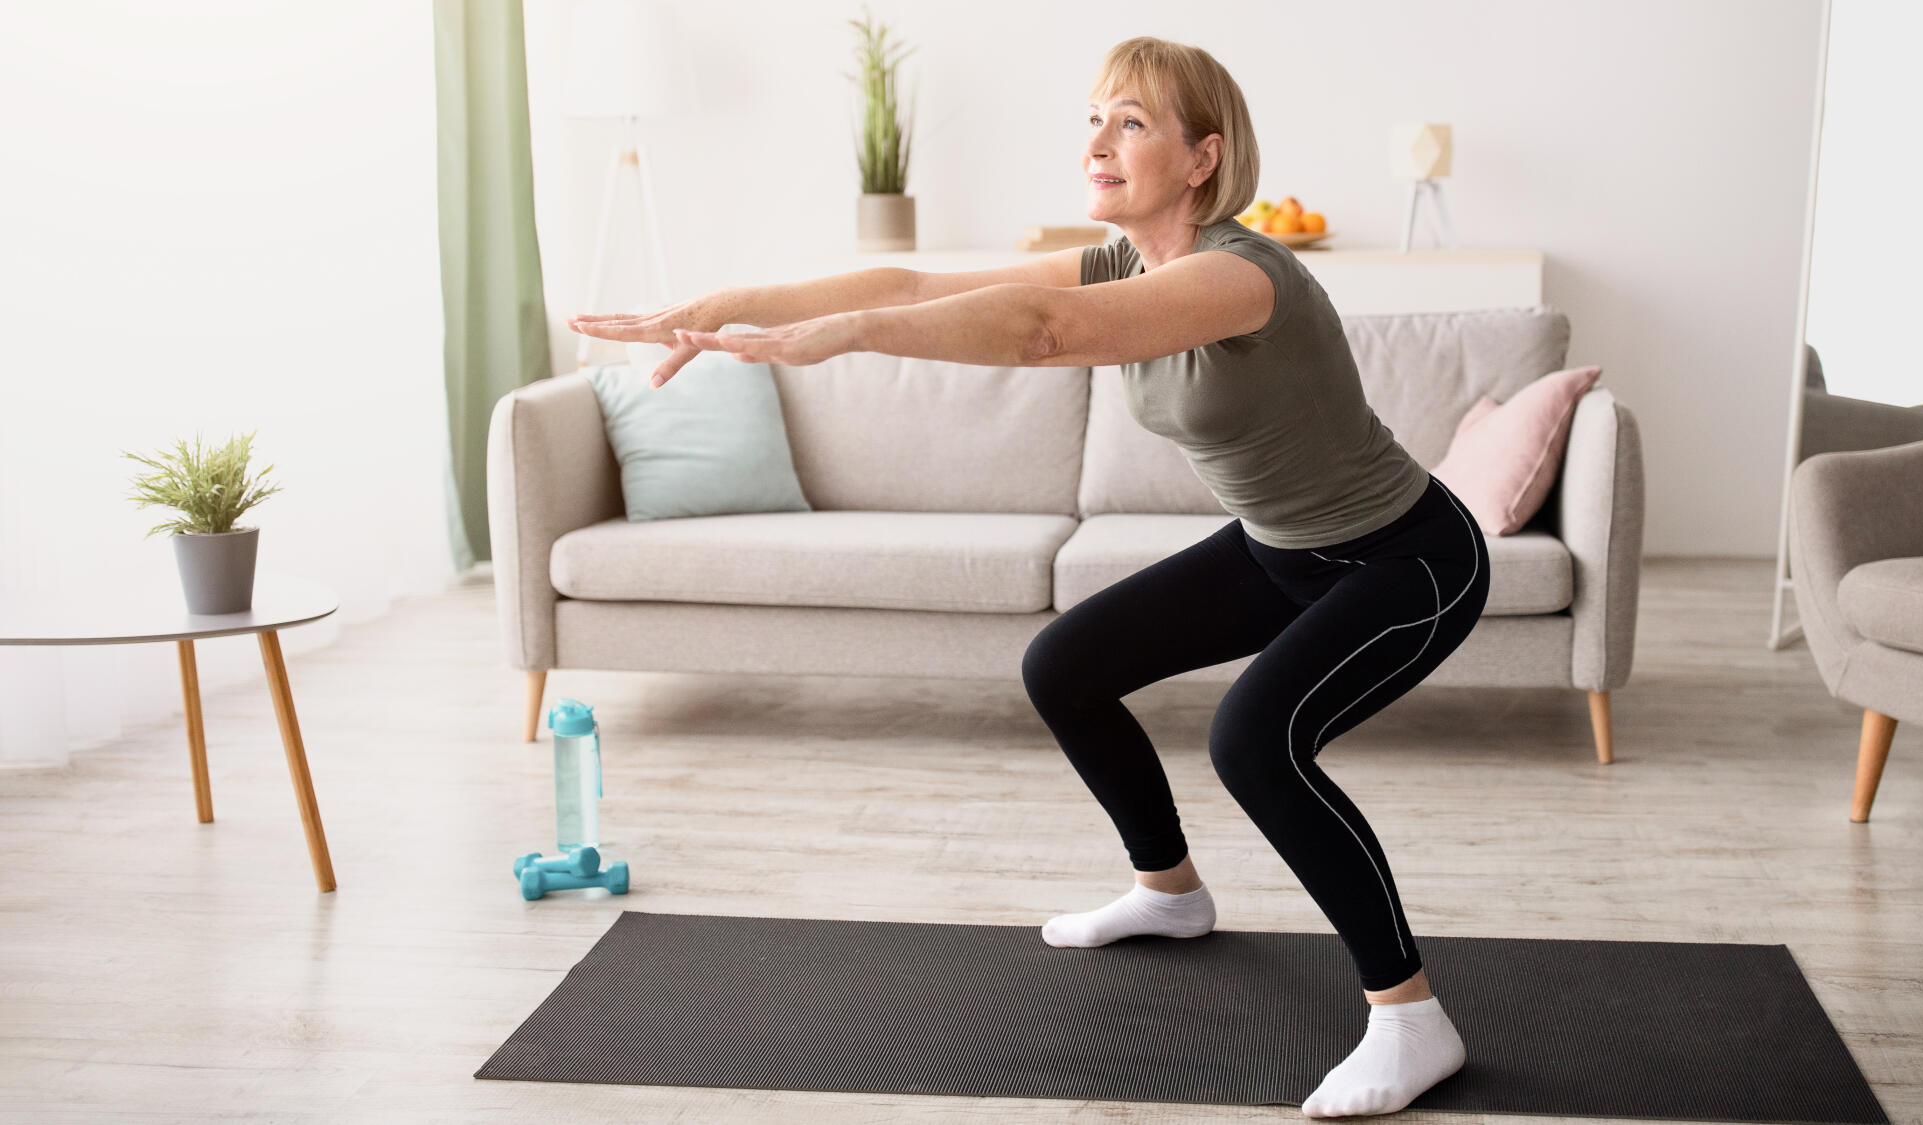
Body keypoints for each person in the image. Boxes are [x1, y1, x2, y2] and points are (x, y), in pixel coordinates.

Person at [569, 34, 1483, 1121]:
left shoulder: (1240, 275)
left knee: (1254, 741)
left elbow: (1048, 334)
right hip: (1276, 548)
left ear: (1201, 158)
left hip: (1404, 559)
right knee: (1066, 665)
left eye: (1130, 123)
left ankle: (1408, 1017)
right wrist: (726, 305)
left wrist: (846, 338)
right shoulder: (1123, 261)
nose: (1097, 140)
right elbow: (910, 277)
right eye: (1093, 117)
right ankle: (1167, 893)